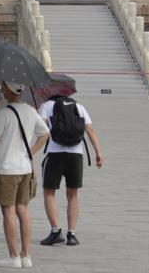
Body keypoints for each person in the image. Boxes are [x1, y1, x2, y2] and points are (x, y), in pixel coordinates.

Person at [0, 81, 50, 269]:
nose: (1, 89)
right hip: (26, 168)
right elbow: (45, 133)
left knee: (8, 211)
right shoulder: (30, 111)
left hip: (7, 169)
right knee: (23, 210)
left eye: (3, 87)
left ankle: (13, 256)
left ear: (9, 90)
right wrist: (31, 151)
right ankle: (26, 255)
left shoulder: (3, 114)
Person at [38, 95, 104, 247]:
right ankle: (72, 234)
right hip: (76, 154)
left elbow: (41, 129)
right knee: (73, 194)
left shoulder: (46, 105)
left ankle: (55, 231)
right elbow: (90, 130)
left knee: (49, 192)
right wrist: (98, 153)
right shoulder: (79, 107)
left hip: (55, 153)